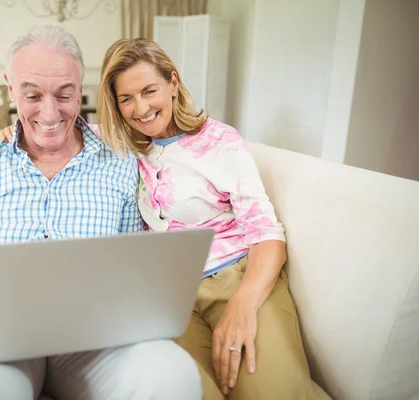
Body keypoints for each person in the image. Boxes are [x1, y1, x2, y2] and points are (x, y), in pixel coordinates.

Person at [0, 26, 203, 400]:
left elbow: (133, 262)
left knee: (172, 374)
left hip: (95, 341)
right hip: (1, 340)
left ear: (80, 88)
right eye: (32, 95)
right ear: (11, 89)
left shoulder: (121, 159)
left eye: (64, 94)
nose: (50, 111)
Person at [98, 38, 317, 400]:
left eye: (150, 90)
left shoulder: (218, 141)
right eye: (126, 99)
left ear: (172, 82)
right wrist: (13, 132)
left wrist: (241, 306)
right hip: (173, 298)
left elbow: (268, 234)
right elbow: (57, 130)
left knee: (274, 393)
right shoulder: (124, 149)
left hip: (238, 279)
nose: (141, 108)